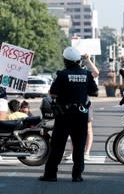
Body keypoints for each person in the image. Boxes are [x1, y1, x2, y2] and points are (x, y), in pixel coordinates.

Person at [39, 47, 98, 182]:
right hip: (81, 114)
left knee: (58, 145)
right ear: (78, 60)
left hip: (64, 115)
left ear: (66, 61)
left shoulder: (63, 74)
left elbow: (53, 93)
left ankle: (51, 174)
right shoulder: (86, 74)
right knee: (79, 146)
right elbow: (94, 92)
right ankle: (77, 175)